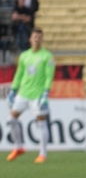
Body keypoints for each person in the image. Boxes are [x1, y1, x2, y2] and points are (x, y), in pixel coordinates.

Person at [6, 28, 55, 163]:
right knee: (11, 119)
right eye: (35, 37)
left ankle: (43, 154)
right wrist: (13, 90)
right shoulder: (24, 56)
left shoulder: (47, 56)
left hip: (38, 95)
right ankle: (18, 147)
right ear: (30, 39)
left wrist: (46, 93)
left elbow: (49, 76)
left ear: (42, 39)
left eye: (39, 37)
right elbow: (19, 74)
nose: (36, 39)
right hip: (23, 93)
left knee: (41, 122)